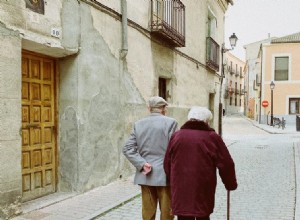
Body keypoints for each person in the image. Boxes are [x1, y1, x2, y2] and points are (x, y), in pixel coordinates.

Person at [164, 106, 237, 220]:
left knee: (183, 216)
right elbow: (226, 163)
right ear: (206, 121)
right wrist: (230, 183)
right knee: (202, 215)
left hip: (180, 188)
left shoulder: (176, 136)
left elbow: (167, 163)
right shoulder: (212, 137)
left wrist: (172, 180)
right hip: (203, 187)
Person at [123, 96, 178, 220]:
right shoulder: (171, 123)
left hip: (146, 175)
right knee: (167, 215)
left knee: (147, 215)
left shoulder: (138, 124)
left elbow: (127, 148)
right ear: (164, 109)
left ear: (149, 109)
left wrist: (142, 164)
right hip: (166, 175)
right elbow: (176, 149)